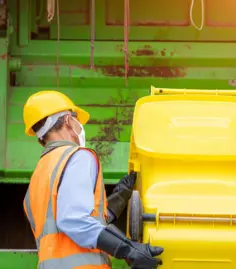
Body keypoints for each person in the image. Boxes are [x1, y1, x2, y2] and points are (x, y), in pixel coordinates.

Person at [22, 90, 164, 269]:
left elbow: (64, 224)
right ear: (68, 120)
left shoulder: (39, 174)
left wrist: (118, 199)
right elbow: (73, 219)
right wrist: (128, 250)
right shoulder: (77, 156)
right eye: (77, 119)